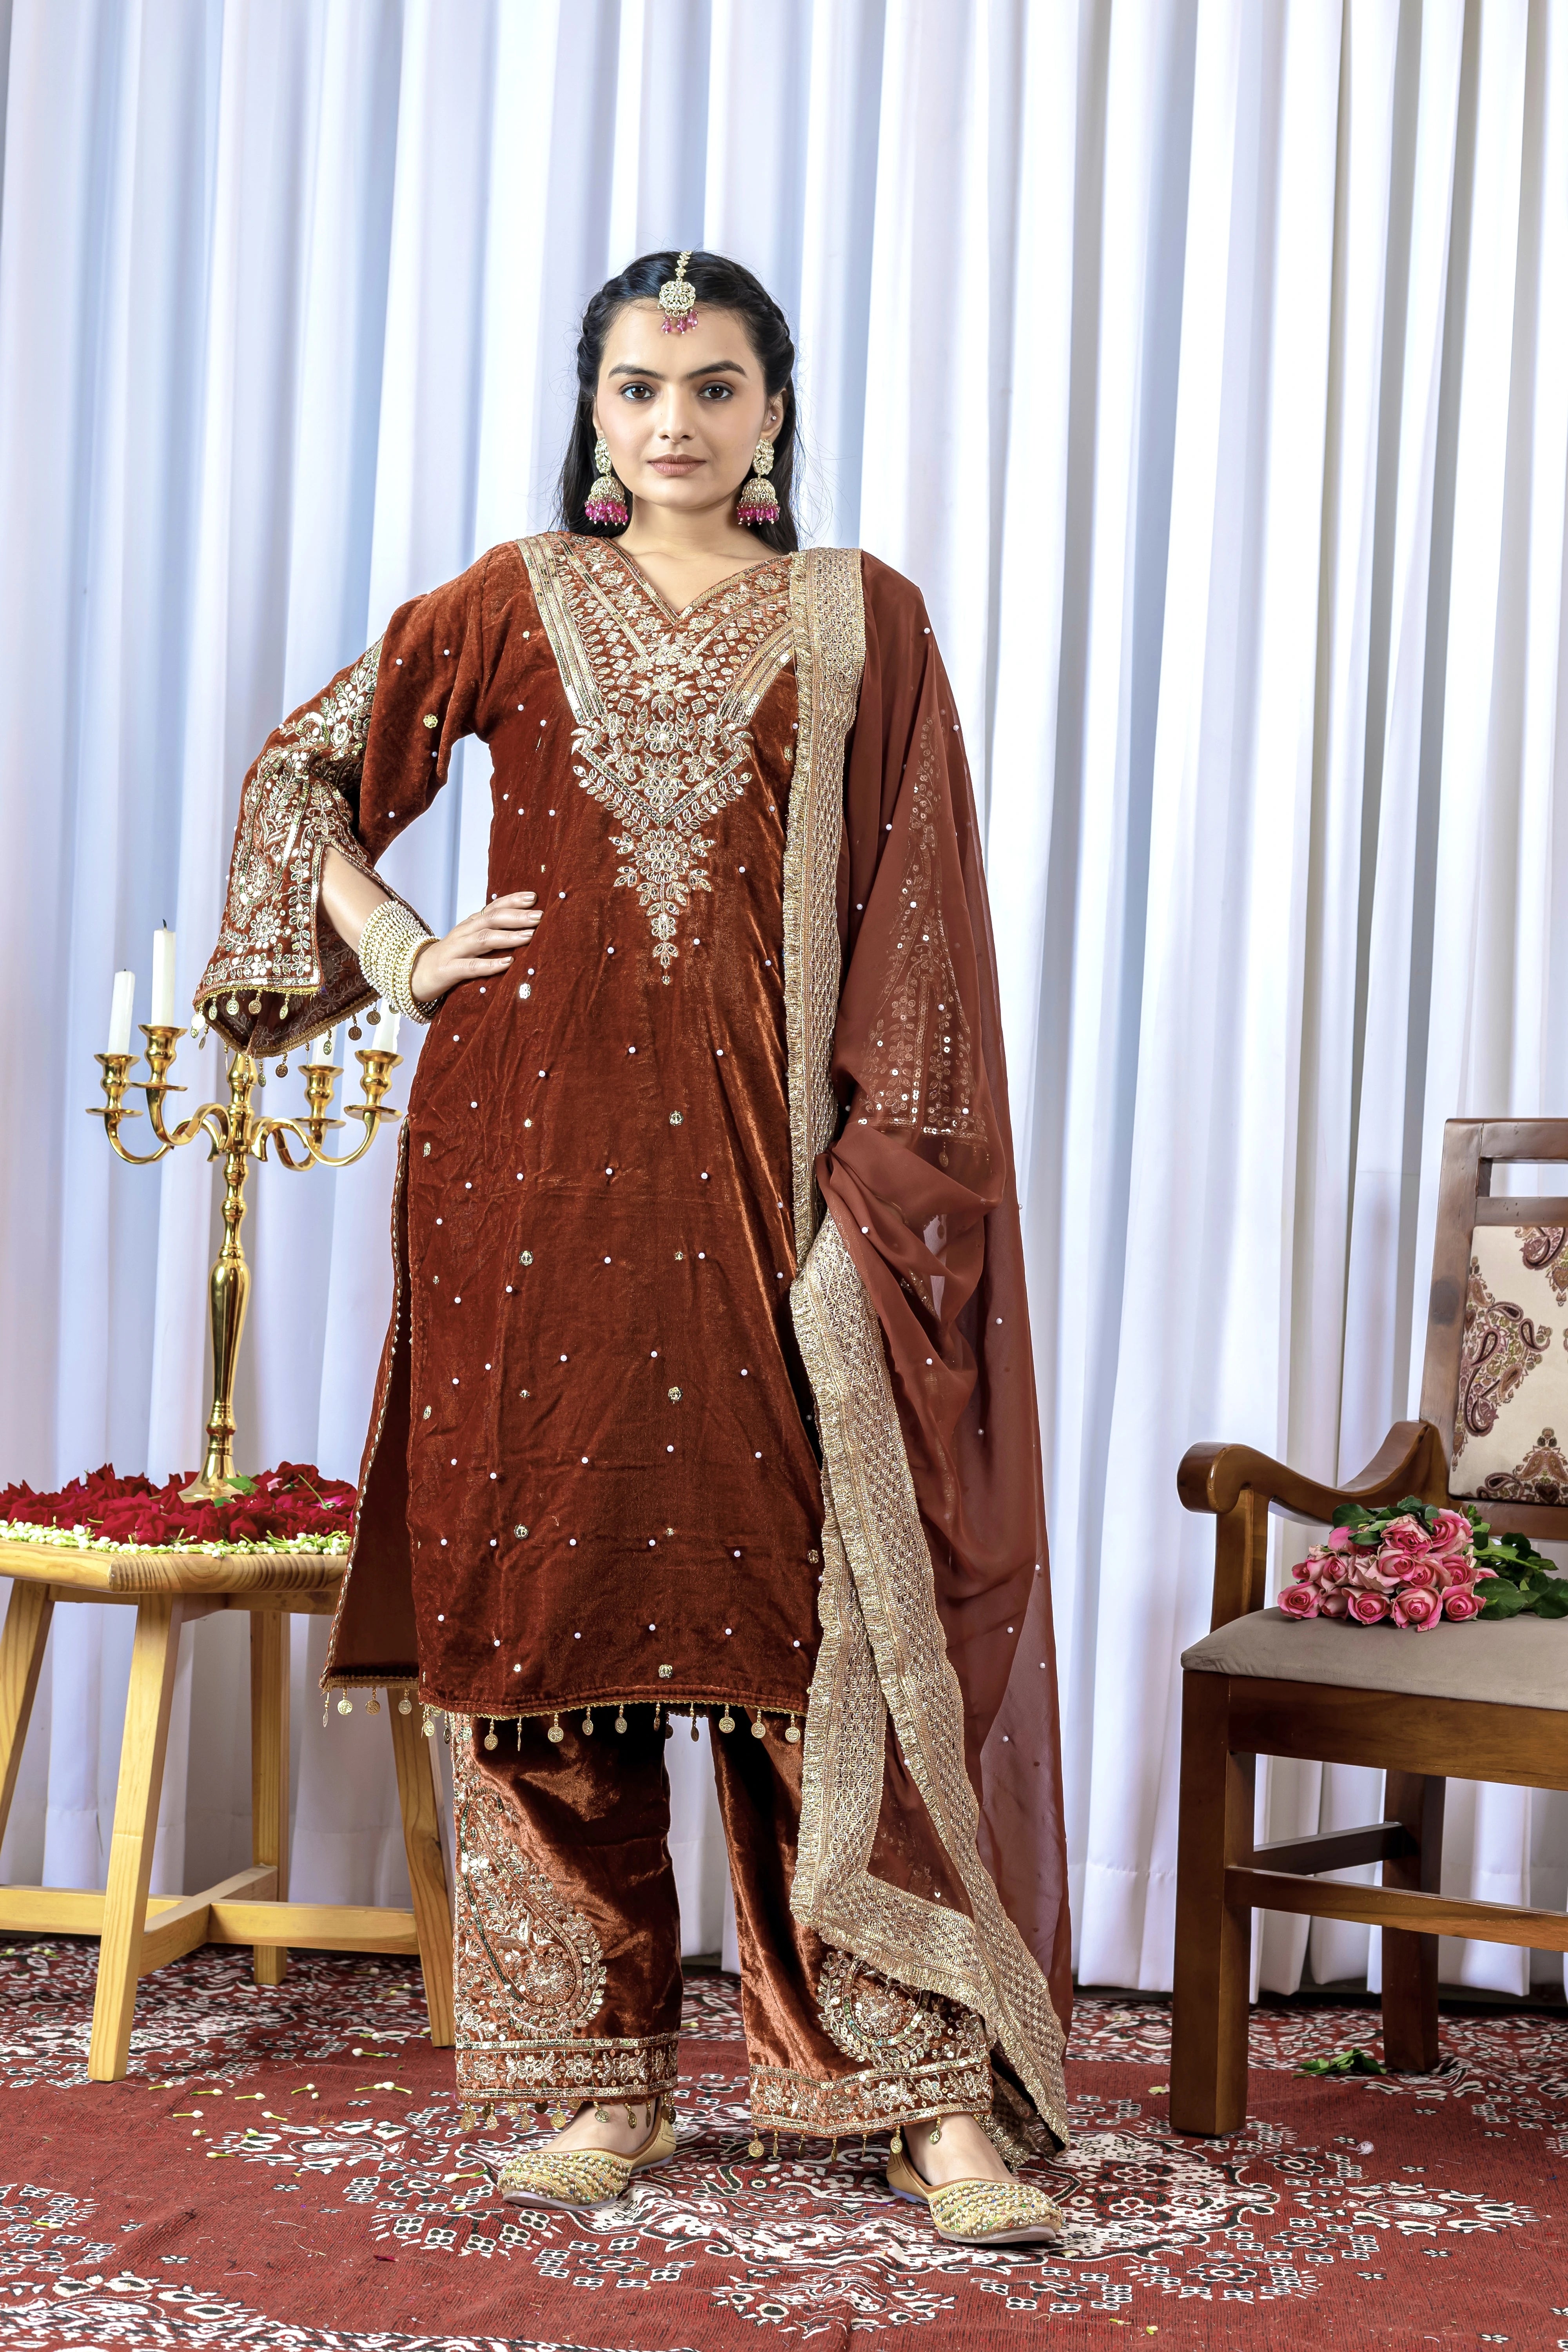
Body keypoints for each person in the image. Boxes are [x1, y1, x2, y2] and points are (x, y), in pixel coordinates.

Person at [196, 250, 1071, 2248]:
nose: (673, 424)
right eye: (635, 390)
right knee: (556, 1621)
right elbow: (299, 773)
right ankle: (592, 2087)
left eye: (714, 386)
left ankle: (917, 2094)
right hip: (534, 1172)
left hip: (776, 1194)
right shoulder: (507, 598)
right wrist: (409, 952)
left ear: (774, 410)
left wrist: (879, 1187)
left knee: (816, 1623)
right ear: (592, 416)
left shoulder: (866, 618)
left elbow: (919, 916)